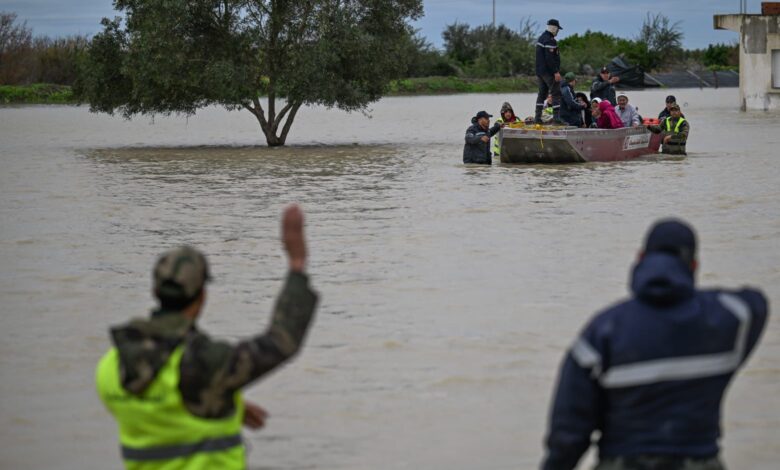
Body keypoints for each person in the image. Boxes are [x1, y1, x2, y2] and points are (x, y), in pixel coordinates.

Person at [96, 205, 319, 469]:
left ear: (155, 291)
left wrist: (223, 399)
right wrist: (297, 265)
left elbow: (163, 408)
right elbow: (281, 342)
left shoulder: (110, 367)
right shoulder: (203, 364)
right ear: (202, 297)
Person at [541, 218, 768, 470]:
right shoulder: (726, 320)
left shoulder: (603, 331)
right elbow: (757, 301)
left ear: (639, 258)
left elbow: (569, 432)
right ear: (693, 265)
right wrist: (695, 301)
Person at [534, 19, 564, 124]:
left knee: (542, 94)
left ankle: (537, 118)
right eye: (557, 29)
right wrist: (555, 72)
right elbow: (549, 58)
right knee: (556, 93)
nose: (558, 32)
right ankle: (557, 119)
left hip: (540, 72)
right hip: (548, 72)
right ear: (554, 28)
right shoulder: (550, 40)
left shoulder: (541, 38)